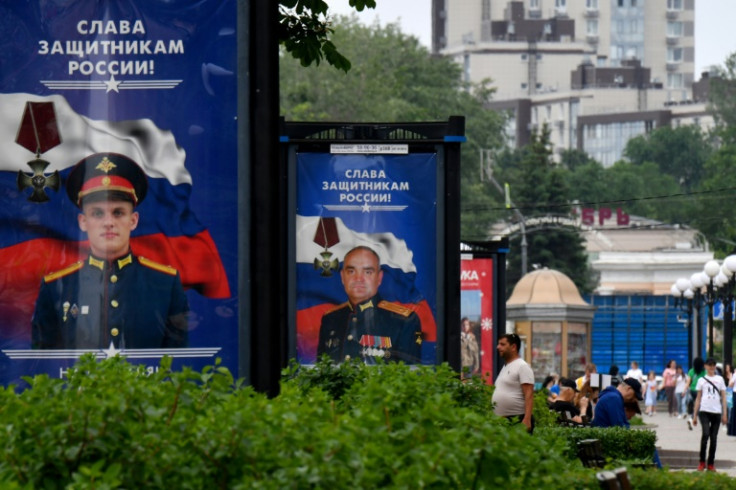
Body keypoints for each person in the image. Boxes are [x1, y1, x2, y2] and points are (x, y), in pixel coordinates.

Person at [32, 153, 189, 349]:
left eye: (118, 213)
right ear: (83, 222)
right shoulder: (56, 287)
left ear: (133, 220)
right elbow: (44, 369)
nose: (108, 223)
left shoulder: (165, 283)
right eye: (97, 213)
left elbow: (179, 364)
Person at [317, 246, 422, 364]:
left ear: (379, 278)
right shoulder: (330, 319)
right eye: (351, 271)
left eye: (367, 272)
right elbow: (322, 372)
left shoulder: (404, 321)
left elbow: (410, 375)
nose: (358, 278)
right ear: (342, 277)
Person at [492, 333, 535, 434]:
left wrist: (527, 419)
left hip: (517, 421)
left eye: (502, 344)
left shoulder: (522, 366)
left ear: (513, 347)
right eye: (498, 344)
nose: (498, 347)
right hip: (504, 422)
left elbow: (529, 394)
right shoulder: (506, 366)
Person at [692, 358, 728, 472]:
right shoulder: (701, 380)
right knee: (706, 434)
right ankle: (702, 462)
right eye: (709, 365)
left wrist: (725, 414)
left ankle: (711, 463)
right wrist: (694, 415)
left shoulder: (720, 379)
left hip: (716, 412)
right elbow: (698, 398)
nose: (712, 367)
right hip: (704, 411)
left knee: (714, 438)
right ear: (705, 366)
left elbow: (723, 397)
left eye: (713, 365)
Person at [687, 357, 706, 430]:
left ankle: (692, 418)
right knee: (699, 405)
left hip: (692, 390)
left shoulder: (691, 371)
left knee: (697, 404)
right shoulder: (704, 372)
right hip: (700, 390)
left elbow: (688, 382)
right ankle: (692, 418)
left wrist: (685, 390)